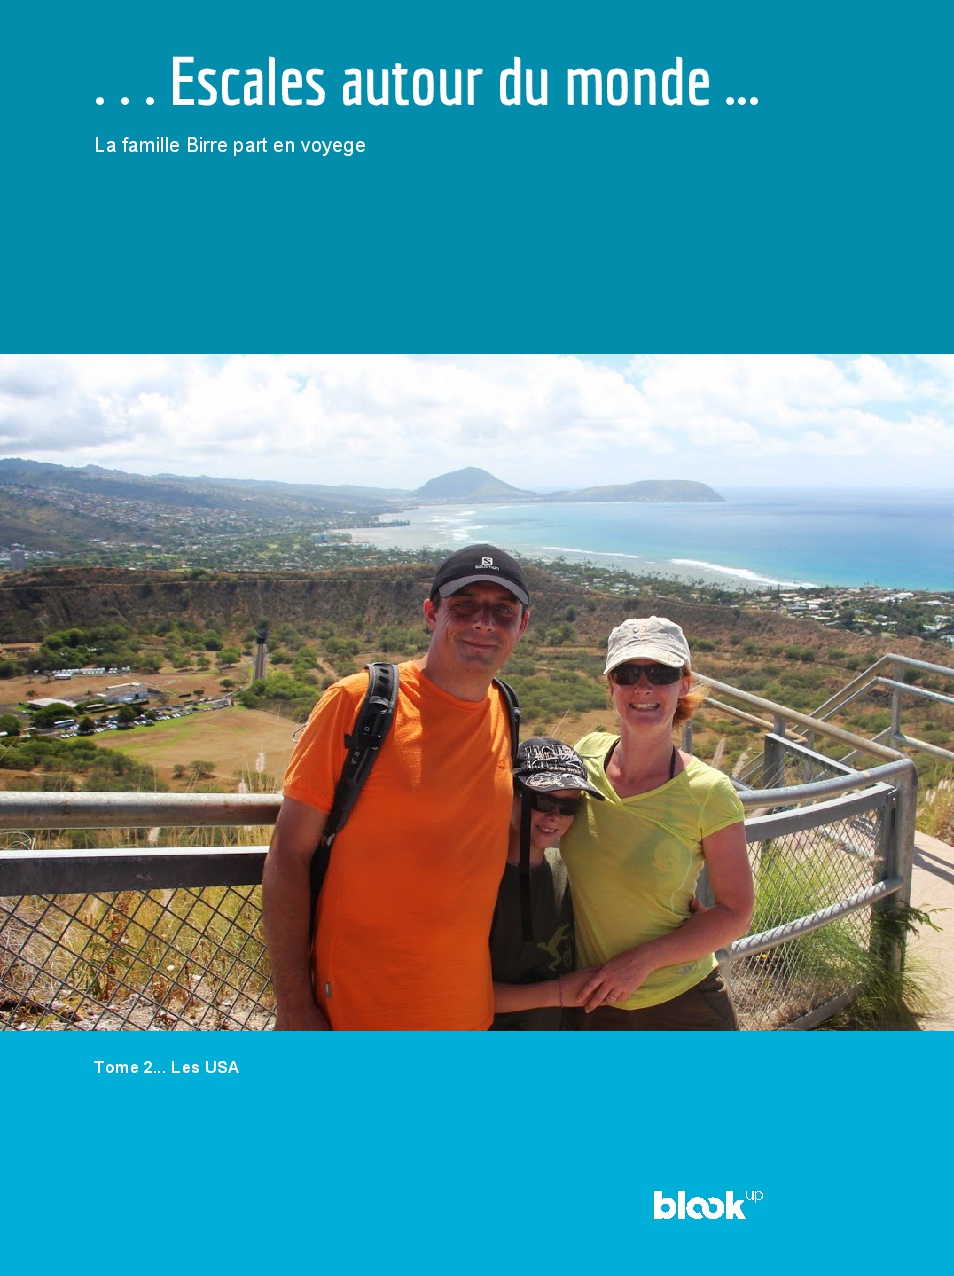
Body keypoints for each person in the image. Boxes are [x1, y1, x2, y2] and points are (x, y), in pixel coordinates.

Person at [262, 544, 530, 1031]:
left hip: (464, 1010)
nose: (484, 622)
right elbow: (288, 855)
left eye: (503, 611)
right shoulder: (356, 702)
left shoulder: (504, 710)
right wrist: (294, 1005)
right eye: (464, 605)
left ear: (522, 625)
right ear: (431, 613)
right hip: (358, 1008)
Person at [560, 615, 754, 1030]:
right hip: (589, 996)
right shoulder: (585, 755)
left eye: (662, 673)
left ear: (683, 684)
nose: (644, 687)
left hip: (680, 1002)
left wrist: (642, 961)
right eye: (628, 673)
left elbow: (736, 912)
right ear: (611, 685)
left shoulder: (709, 792)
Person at [490, 738, 604, 1030]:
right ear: (509, 792)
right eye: (542, 800)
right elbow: (456, 992)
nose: (555, 816)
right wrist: (560, 993)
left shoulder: (568, 872)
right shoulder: (480, 882)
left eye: (569, 806)